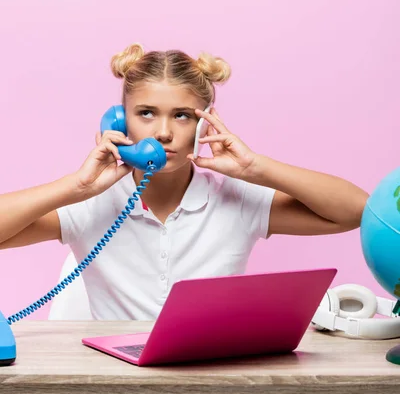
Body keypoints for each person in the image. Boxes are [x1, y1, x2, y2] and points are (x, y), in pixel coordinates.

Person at [0, 43, 369, 320]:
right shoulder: (91, 203)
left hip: (209, 377)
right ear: (118, 122)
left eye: (181, 116)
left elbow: (355, 212)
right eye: (146, 113)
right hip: (113, 382)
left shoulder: (236, 200)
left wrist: (258, 168)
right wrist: (76, 187)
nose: (163, 132)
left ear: (205, 123)